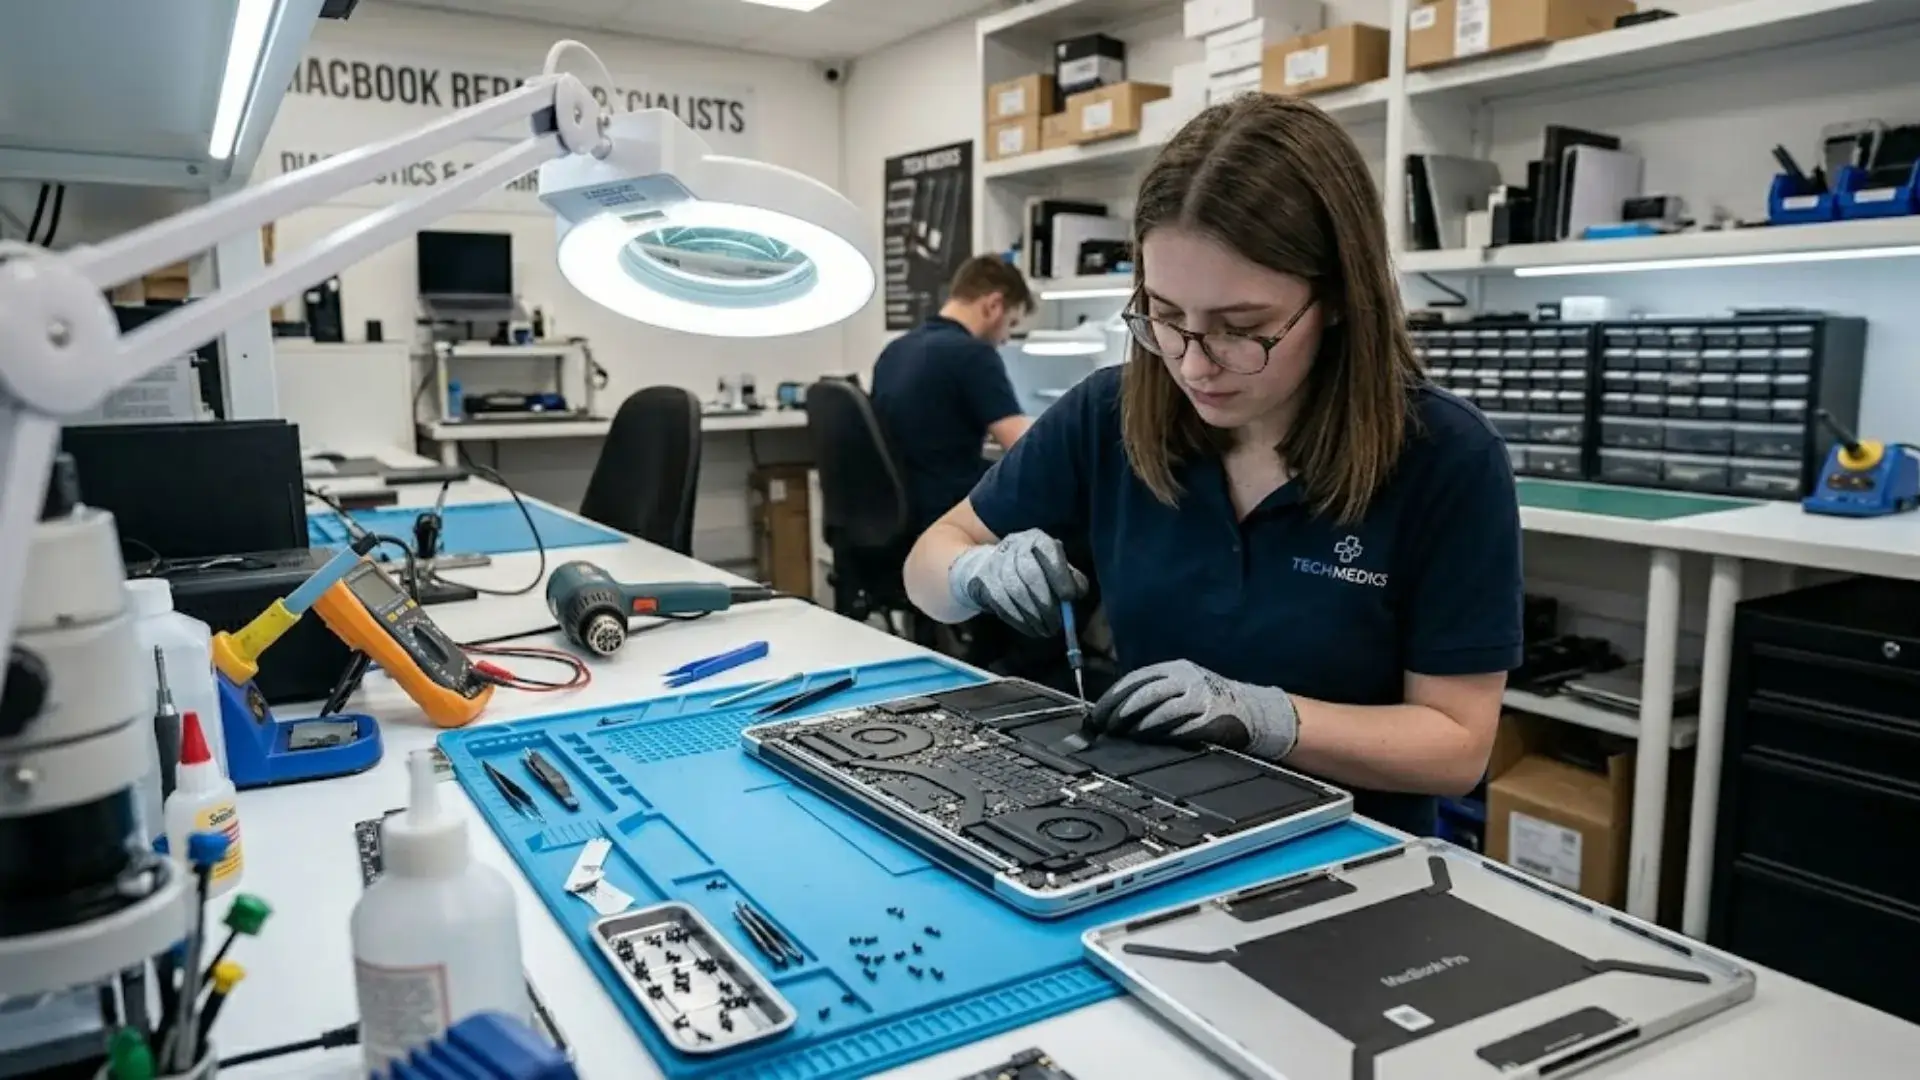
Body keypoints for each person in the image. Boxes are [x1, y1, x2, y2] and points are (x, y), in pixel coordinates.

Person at [900, 95, 1524, 835]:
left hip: (1348, 858)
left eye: (1241, 329)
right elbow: (927, 565)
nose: (1194, 364)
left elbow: (1456, 747)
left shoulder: (1446, 458)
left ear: (1337, 300)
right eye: (1164, 315)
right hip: (1142, 830)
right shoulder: (1110, 413)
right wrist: (975, 572)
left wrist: (1267, 718)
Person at [872, 256, 1037, 536]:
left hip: (896, 512)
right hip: (946, 512)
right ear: (994, 305)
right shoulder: (973, 354)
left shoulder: (894, 350)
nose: (1007, 338)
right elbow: (1026, 447)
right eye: (1011, 322)